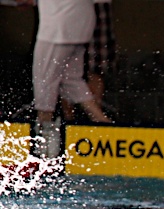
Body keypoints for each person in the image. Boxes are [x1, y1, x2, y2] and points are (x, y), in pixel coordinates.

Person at [32, 0, 112, 131]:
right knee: (71, 79)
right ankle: (102, 122)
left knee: (44, 80)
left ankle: (43, 129)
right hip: (82, 24)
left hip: (58, 27)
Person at [60, 0, 115, 122]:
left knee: (96, 68)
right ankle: (68, 121)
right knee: (63, 67)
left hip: (95, 4)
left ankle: (95, 121)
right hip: (66, 7)